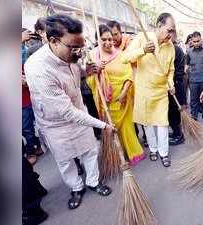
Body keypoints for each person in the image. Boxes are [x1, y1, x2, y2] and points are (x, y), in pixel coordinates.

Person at [24, 14, 113, 210]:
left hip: (80, 112)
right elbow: (67, 112)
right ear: (53, 41)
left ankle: (92, 181)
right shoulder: (38, 68)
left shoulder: (69, 53)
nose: (78, 53)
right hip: (57, 123)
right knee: (65, 160)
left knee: (90, 151)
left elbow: (74, 70)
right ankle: (76, 187)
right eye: (74, 48)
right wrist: (103, 125)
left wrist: (85, 71)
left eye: (81, 47)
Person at [86, 24, 145, 166]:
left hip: (123, 99)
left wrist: (124, 93)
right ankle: (117, 155)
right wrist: (96, 70)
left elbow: (128, 75)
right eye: (103, 39)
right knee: (111, 129)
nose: (108, 42)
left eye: (110, 39)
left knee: (126, 127)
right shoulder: (93, 56)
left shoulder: (120, 54)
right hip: (105, 102)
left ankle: (133, 153)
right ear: (97, 40)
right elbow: (89, 80)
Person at [123, 12, 176, 167]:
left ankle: (163, 153)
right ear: (159, 26)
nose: (171, 34)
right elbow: (125, 58)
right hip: (144, 91)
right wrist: (143, 50)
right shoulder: (142, 38)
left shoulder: (170, 46)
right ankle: (153, 149)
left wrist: (170, 83)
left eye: (172, 31)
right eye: (169, 30)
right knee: (147, 124)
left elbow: (170, 70)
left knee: (162, 123)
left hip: (161, 92)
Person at [22, 28, 42, 165]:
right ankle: (35, 146)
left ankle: (32, 150)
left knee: (27, 126)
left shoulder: (25, 51)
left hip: (25, 98)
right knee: (25, 127)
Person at [185, 31, 203, 122]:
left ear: (201, 40)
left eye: (198, 41)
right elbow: (187, 63)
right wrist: (186, 70)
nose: (196, 43)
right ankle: (194, 115)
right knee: (193, 99)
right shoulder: (189, 51)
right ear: (191, 41)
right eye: (194, 41)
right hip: (193, 79)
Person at [169, 32, 187, 145]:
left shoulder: (175, 50)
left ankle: (178, 135)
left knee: (173, 112)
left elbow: (177, 72)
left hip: (175, 85)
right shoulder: (174, 49)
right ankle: (176, 132)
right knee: (172, 112)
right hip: (174, 84)